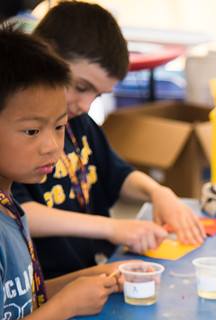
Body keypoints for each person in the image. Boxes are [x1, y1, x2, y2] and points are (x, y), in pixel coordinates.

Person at [12, 1, 205, 279]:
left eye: (98, 95)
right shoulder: (16, 131)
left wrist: (158, 193)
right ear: (44, 56)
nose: (86, 105)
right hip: (53, 282)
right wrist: (111, 227)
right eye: (80, 87)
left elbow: (117, 174)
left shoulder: (79, 122)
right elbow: (16, 213)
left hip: (96, 269)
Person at [0, 26, 121, 320]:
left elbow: (20, 304)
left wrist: (84, 280)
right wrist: (63, 307)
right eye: (32, 130)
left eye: (58, 127)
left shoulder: (9, 204)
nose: (52, 146)